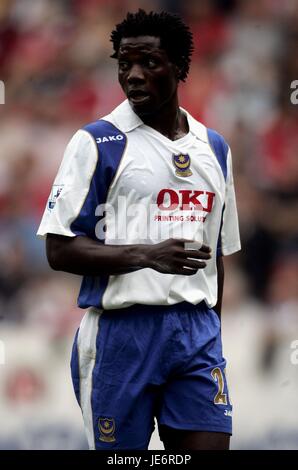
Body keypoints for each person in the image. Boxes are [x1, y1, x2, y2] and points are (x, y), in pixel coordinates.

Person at [37, 9, 241, 450]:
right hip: (121, 334)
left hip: (197, 335)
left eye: (149, 62)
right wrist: (146, 255)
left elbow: (216, 253)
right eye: (124, 64)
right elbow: (58, 248)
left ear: (180, 67)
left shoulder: (215, 148)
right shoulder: (97, 141)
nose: (133, 75)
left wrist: (213, 330)